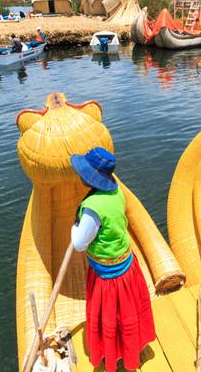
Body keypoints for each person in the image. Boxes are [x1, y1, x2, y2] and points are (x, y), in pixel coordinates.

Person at [70, 147, 155, 372]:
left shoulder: (92, 208)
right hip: (127, 265)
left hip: (108, 277)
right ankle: (133, 347)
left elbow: (79, 244)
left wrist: (74, 225)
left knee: (110, 316)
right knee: (128, 313)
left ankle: (117, 356)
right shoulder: (115, 191)